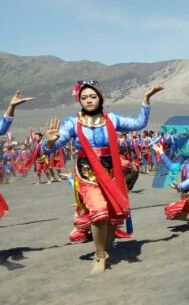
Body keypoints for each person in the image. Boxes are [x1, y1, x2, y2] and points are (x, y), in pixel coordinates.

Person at [43, 80, 163, 274]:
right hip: (87, 170)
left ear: (100, 97)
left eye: (92, 96)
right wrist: (49, 142)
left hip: (111, 169)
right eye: (84, 98)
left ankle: (105, 251)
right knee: (98, 210)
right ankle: (99, 256)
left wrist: (146, 100)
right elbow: (52, 148)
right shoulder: (72, 122)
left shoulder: (112, 119)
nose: (88, 100)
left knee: (113, 216)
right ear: (78, 100)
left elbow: (139, 123)